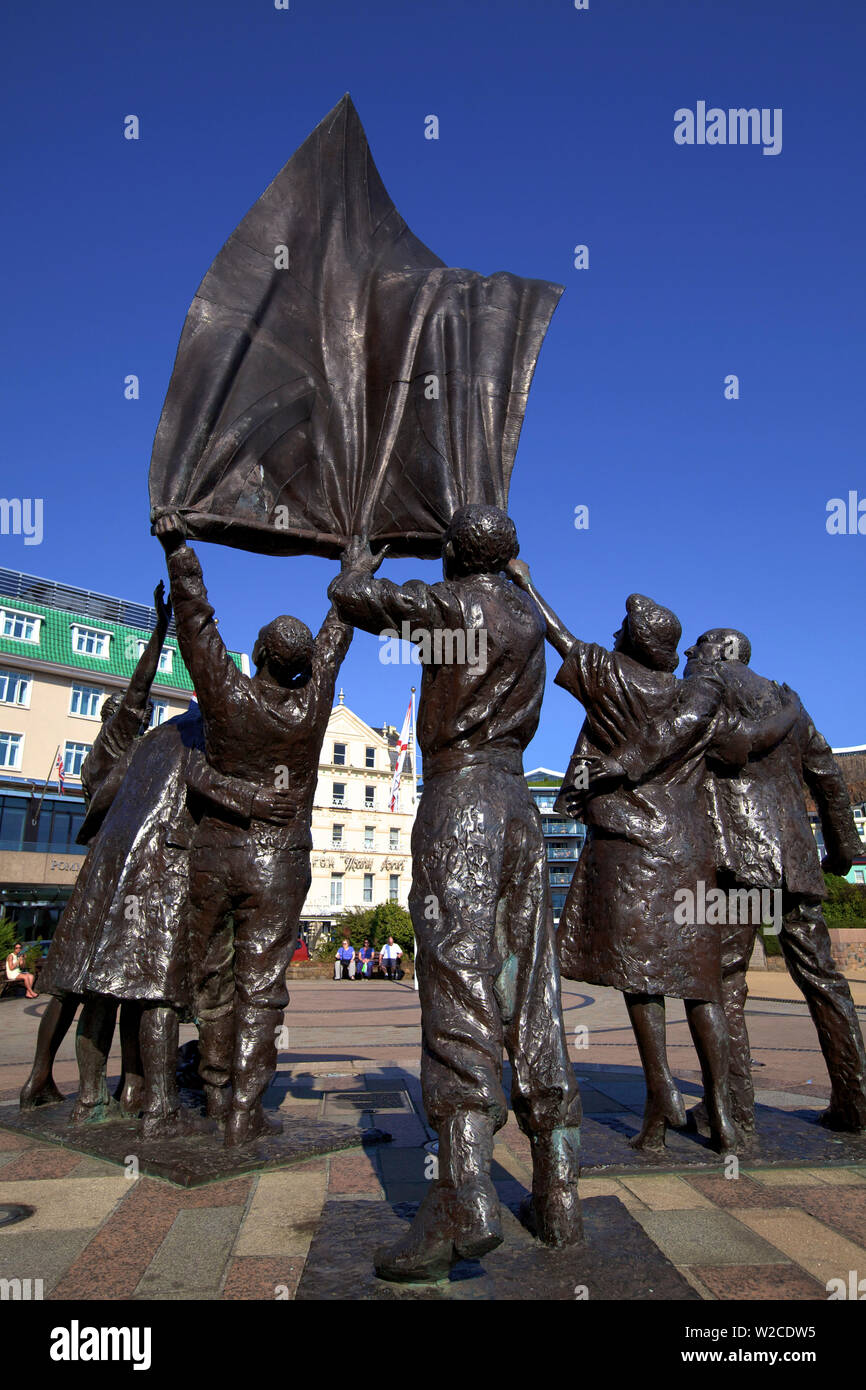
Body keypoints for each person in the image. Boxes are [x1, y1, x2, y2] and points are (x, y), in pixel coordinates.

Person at [329, 506, 582, 1282]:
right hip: (518, 810)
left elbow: (353, 601)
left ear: (453, 557)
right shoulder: (524, 618)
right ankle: (559, 1188)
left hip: (462, 800)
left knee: (458, 987)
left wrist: (360, 560)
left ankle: (464, 1193)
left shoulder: (453, 605)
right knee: (532, 991)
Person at [508, 565, 797, 1154]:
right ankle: (724, 1116)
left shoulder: (614, 677)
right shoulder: (700, 698)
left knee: (641, 981)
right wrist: (789, 714)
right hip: (690, 854)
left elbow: (555, 633)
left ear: (632, 643)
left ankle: (661, 1098)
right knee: (700, 985)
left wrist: (523, 580)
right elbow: (747, 744)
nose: (613, 636)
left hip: (632, 851)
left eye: (620, 630)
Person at [156, 514, 353, 1146]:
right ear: (301, 666)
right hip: (281, 862)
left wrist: (179, 550)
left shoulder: (227, 695)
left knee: (209, 972)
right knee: (262, 985)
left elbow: (197, 625)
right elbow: (336, 635)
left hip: (216, 854)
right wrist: (356, 570)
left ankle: (217, 1089)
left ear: (261, 656)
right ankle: (245, 1104)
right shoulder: (312, 701)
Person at [684, 629, 866, 1136]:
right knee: (825, 981)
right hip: (797, 860)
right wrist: (844, 847)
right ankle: (856, 1102)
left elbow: (716, 752)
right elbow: (827, 773)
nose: (688, 654)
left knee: (724, 984)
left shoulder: (707, 688)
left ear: (722, 652)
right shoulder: (788, 700)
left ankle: (736, 1110)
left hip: (741, 860)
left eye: (698, 646)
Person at [21, 582, 174, 1111]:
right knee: (99, 988)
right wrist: (160, 628)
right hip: (111, 875)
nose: (143, 713)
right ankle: (89, 1091)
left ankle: (49, 1079)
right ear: (115, 718)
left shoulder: (134, 754)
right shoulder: (116, 747)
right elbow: (137, 688)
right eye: (136, 711)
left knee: (76, 988)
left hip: (103, 876)